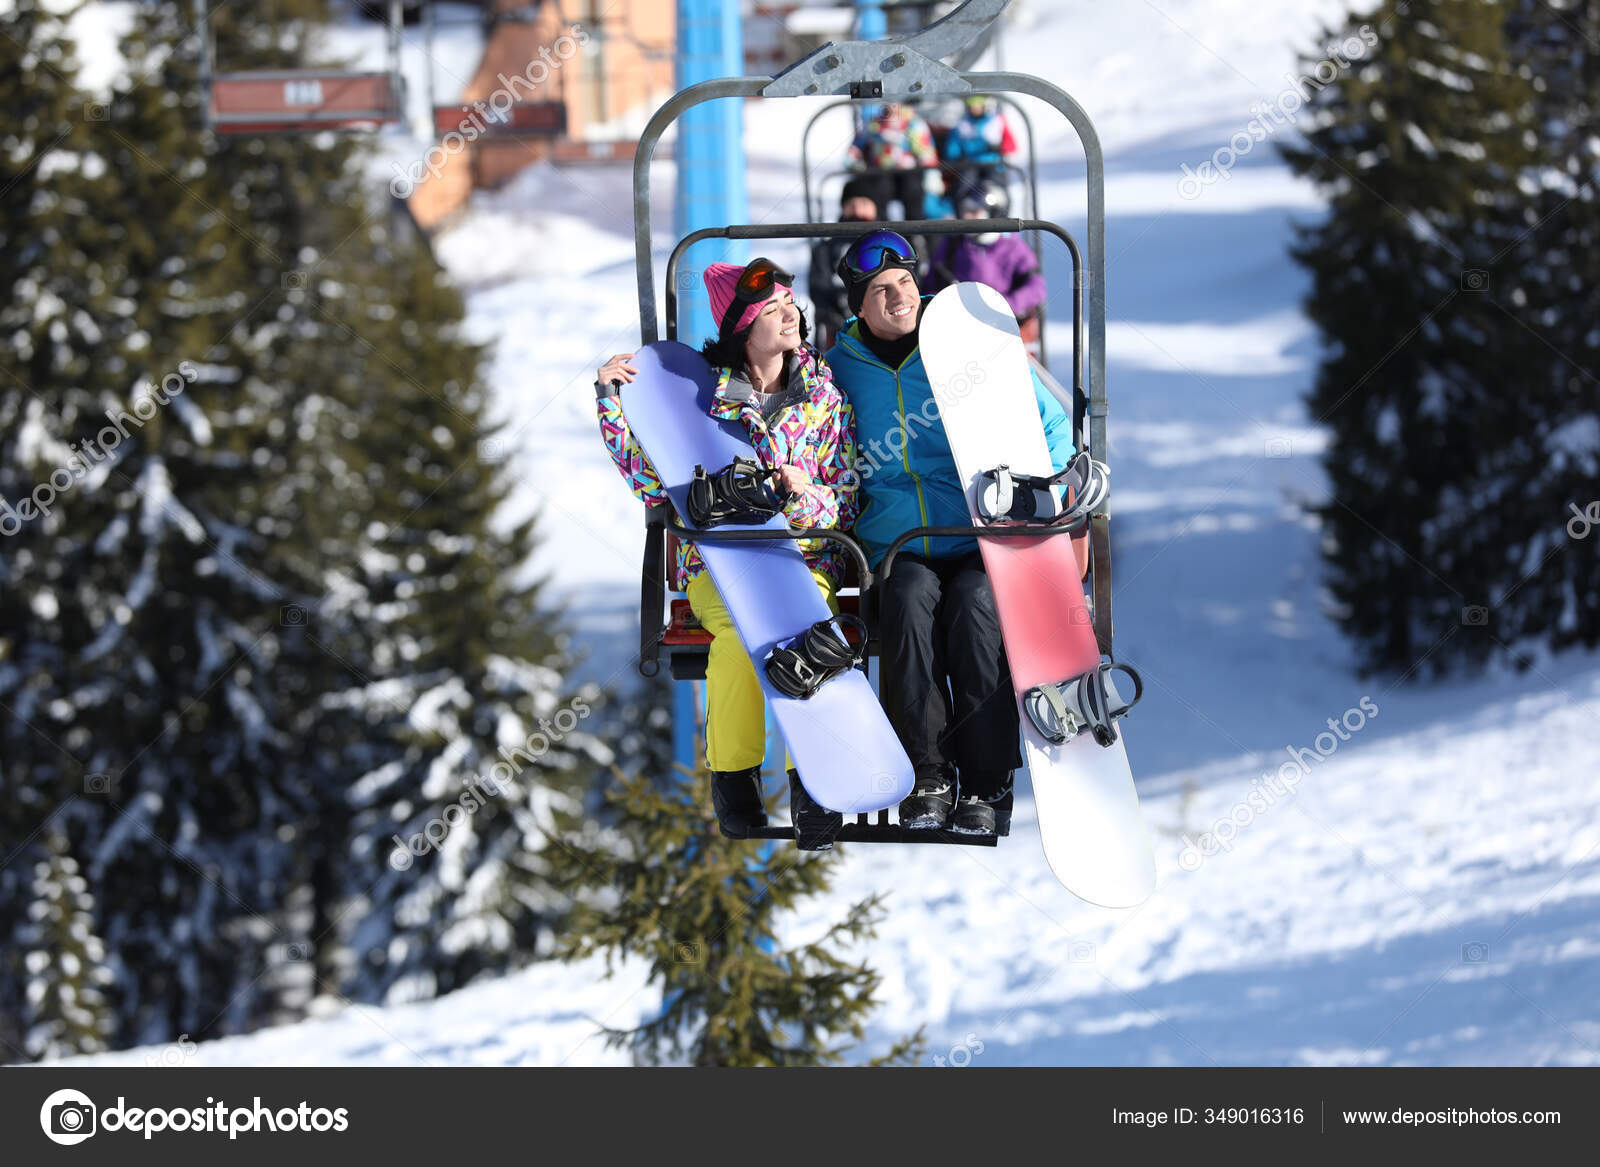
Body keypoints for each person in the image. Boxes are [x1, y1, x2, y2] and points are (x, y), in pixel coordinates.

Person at [596, 259, 860, 850]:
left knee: (800, 637)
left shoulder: (823, 397)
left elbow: (844, 498)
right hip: (721, 562)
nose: (790, 313)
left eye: (790, 303)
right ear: (743, 326)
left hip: (805, 560)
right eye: (772, 309)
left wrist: (801, 492)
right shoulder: (698, 402)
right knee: (746, 632)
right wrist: (611, 403)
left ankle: (812, 781)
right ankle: (735, 776)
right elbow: (652, 483)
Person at [824, 230, 1075, 837]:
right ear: (857, 306)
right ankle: (928, 774)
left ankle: (987, 782)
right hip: (894, 545)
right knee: (908, 605)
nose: (898, 298)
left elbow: (1046, 419)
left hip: (977, 532)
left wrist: (1050, 492)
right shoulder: (838, 371)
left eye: (906, 283)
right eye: (880, 291)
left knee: (976, 606)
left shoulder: (961, 345)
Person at [923, 179, 1047, 346]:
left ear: (993, 213)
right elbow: (930, 283)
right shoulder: (952, 244)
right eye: (964, 211)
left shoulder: (1012, 245)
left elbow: (1036, 287)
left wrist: (1003, 306)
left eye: (974, 211)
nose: (967, 217)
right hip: (960, 329)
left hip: (1003, 328)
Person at [808, 176, 881, 351]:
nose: (857, 210)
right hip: (838, 322)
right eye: (851, 204)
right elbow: (818, 286)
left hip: (881, 314)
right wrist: (830, 314)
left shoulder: (887, 241)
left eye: (863, 203)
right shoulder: (827, 247)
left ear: (875, 207)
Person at [845, 102, 940, 221]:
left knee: (912, 189)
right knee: (879, 187)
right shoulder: (874, 124)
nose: (891, 107)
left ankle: (914, 228)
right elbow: (858, 144)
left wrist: (930, 170)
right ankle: (882, 226)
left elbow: (926, 150)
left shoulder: (913, 123)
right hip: (881, 171)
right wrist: (852, 160)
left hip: (907, 171)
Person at [938, 94, 1018, 194]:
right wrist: (956, 156)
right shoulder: (962, 125)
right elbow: (953, 147)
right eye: (972, 106)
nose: (975, 108)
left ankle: (999, 206)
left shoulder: (996, 121)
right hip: (970, 164)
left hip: (992, 164)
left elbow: (1011, 144)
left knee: (996, 188)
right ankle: (964, 204)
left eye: (978, 105)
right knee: (964, 186)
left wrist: (1000, 148)